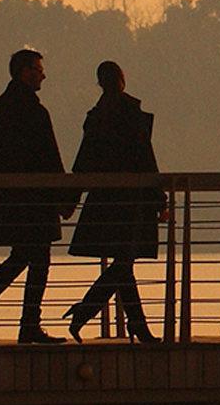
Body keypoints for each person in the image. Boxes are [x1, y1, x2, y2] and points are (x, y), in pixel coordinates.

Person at [0, 48, 68, 343]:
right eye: (38, 70)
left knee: (22, 255)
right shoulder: (36, 112)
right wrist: (64, 197)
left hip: (10, 200)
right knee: (37, 259)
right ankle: (26, 323)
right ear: (24, 72)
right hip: (38, 201)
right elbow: (50, 158)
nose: (43, 75)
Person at [63, 59, 165, 340]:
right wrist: (159, 199)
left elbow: (83, 162)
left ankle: (94, 314)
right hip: (133, 201)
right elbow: (146, 159)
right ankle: (93, 314)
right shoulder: (132, 114)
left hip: (105, 201)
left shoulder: (96, 116)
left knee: (123, 265)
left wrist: (71, 198)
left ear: (100, 83)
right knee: (124, 264)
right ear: (122, 79)